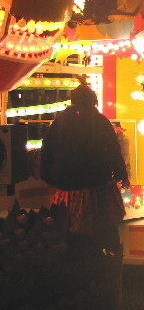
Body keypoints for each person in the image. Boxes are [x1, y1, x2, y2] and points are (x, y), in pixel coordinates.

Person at [40, 80, 129, 255]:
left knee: (68, 232)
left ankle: (74, 266)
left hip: (67, 188)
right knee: (102, 230)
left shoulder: (59, 122)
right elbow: (113, 150)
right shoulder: (100, 121)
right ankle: (103, 264)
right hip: (96, 187)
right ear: (93, 100)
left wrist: (48, 177)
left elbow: (47, 151)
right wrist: (121, 174)